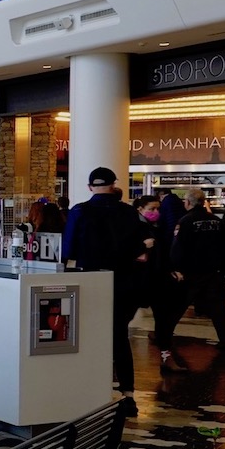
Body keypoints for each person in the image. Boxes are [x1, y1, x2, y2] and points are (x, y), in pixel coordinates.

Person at [64, 167, 147, 393]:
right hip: (124, 281)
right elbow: (139, 246)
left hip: (90, 280)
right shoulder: (129, 212)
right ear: (114, 185)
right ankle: (127, 392)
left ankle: (91, 388)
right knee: (119, 336)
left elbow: (68, 249)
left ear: (90, 187)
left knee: (88, 334)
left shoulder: (79, 211)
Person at [172, 190, 225, 350]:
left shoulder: (186, 221)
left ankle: (163, 333)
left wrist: (176, 268)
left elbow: (178, 248)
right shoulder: (216, 221)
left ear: (188, 202)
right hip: (214, 271)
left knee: (179, 304)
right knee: (218, 307)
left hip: (192, 271)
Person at [136, 195, 187, 373]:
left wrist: (171, 269)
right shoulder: (136, 229)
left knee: (163, 318)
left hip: (156, 279)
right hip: (140, 281)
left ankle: (166, 356)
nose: (156, 212)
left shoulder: (157, 228)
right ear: (140, 209)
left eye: (158, 209)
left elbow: (163, 254)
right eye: (151, 209)